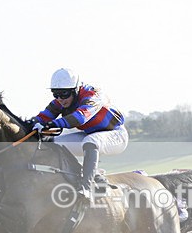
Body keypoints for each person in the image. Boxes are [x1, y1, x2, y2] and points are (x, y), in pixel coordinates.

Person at [30, 67, 128, 199]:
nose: (60, 99)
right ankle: (94, 174)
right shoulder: (60, 101)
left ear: (75, 90)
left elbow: (80, 117)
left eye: (64, 94)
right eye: (55, 94)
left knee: (91, 141)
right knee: (53, 143)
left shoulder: (92, 95)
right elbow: (42, 117)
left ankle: (86, 188)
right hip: (90, 134)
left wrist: (53, 124)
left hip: (116, 135)